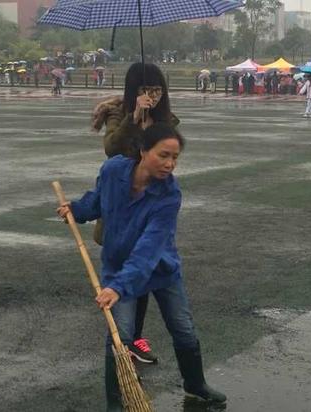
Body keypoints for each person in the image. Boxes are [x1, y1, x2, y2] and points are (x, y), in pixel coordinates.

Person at [56, 123, 227, 411]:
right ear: (143, 151)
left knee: (183, 329)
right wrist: (76, 210)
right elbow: (98, 200)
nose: (170, 164)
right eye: (164, 155)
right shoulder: (113, 171)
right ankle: (116, 402)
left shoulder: (169, 195)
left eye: (175, 158)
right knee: (120, 337)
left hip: (159, 270)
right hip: (118, 266)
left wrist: (119, 288)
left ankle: (195, 384)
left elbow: (149, 249)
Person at [91, 62, 179, 364]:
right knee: (125, 284)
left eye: (156, 89)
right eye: (145, 90)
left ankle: (133, 339)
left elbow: (169, 154)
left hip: (151, 208)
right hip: (122, 209)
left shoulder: (165, 118)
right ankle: (122, 343)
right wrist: (133, 119)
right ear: (133, 91)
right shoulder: (118, 113)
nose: (151, 96)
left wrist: (152, 128)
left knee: (143, 277)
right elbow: (111, 149)